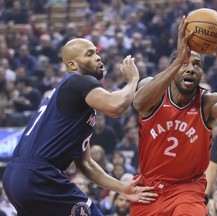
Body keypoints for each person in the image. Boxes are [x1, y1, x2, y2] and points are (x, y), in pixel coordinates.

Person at [2, 38, 157, 216]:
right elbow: (116, 106)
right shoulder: (78, 81)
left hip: (16, 178)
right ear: (73, 65)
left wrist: (122, 187)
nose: (98, 57)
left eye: (97, 52)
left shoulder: (75, 102)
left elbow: (85, 164)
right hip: (38, 175)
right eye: (89, 54)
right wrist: (133, 80)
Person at [130, 15, 217, 216]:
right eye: (185, 63)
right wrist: (177, 62)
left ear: (202, 74)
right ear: (172, 68)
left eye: (197, 65)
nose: (191, 68)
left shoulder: (207, 102)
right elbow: (139, 103)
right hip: (148, 188)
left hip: (187, 188)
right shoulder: (152, 89)